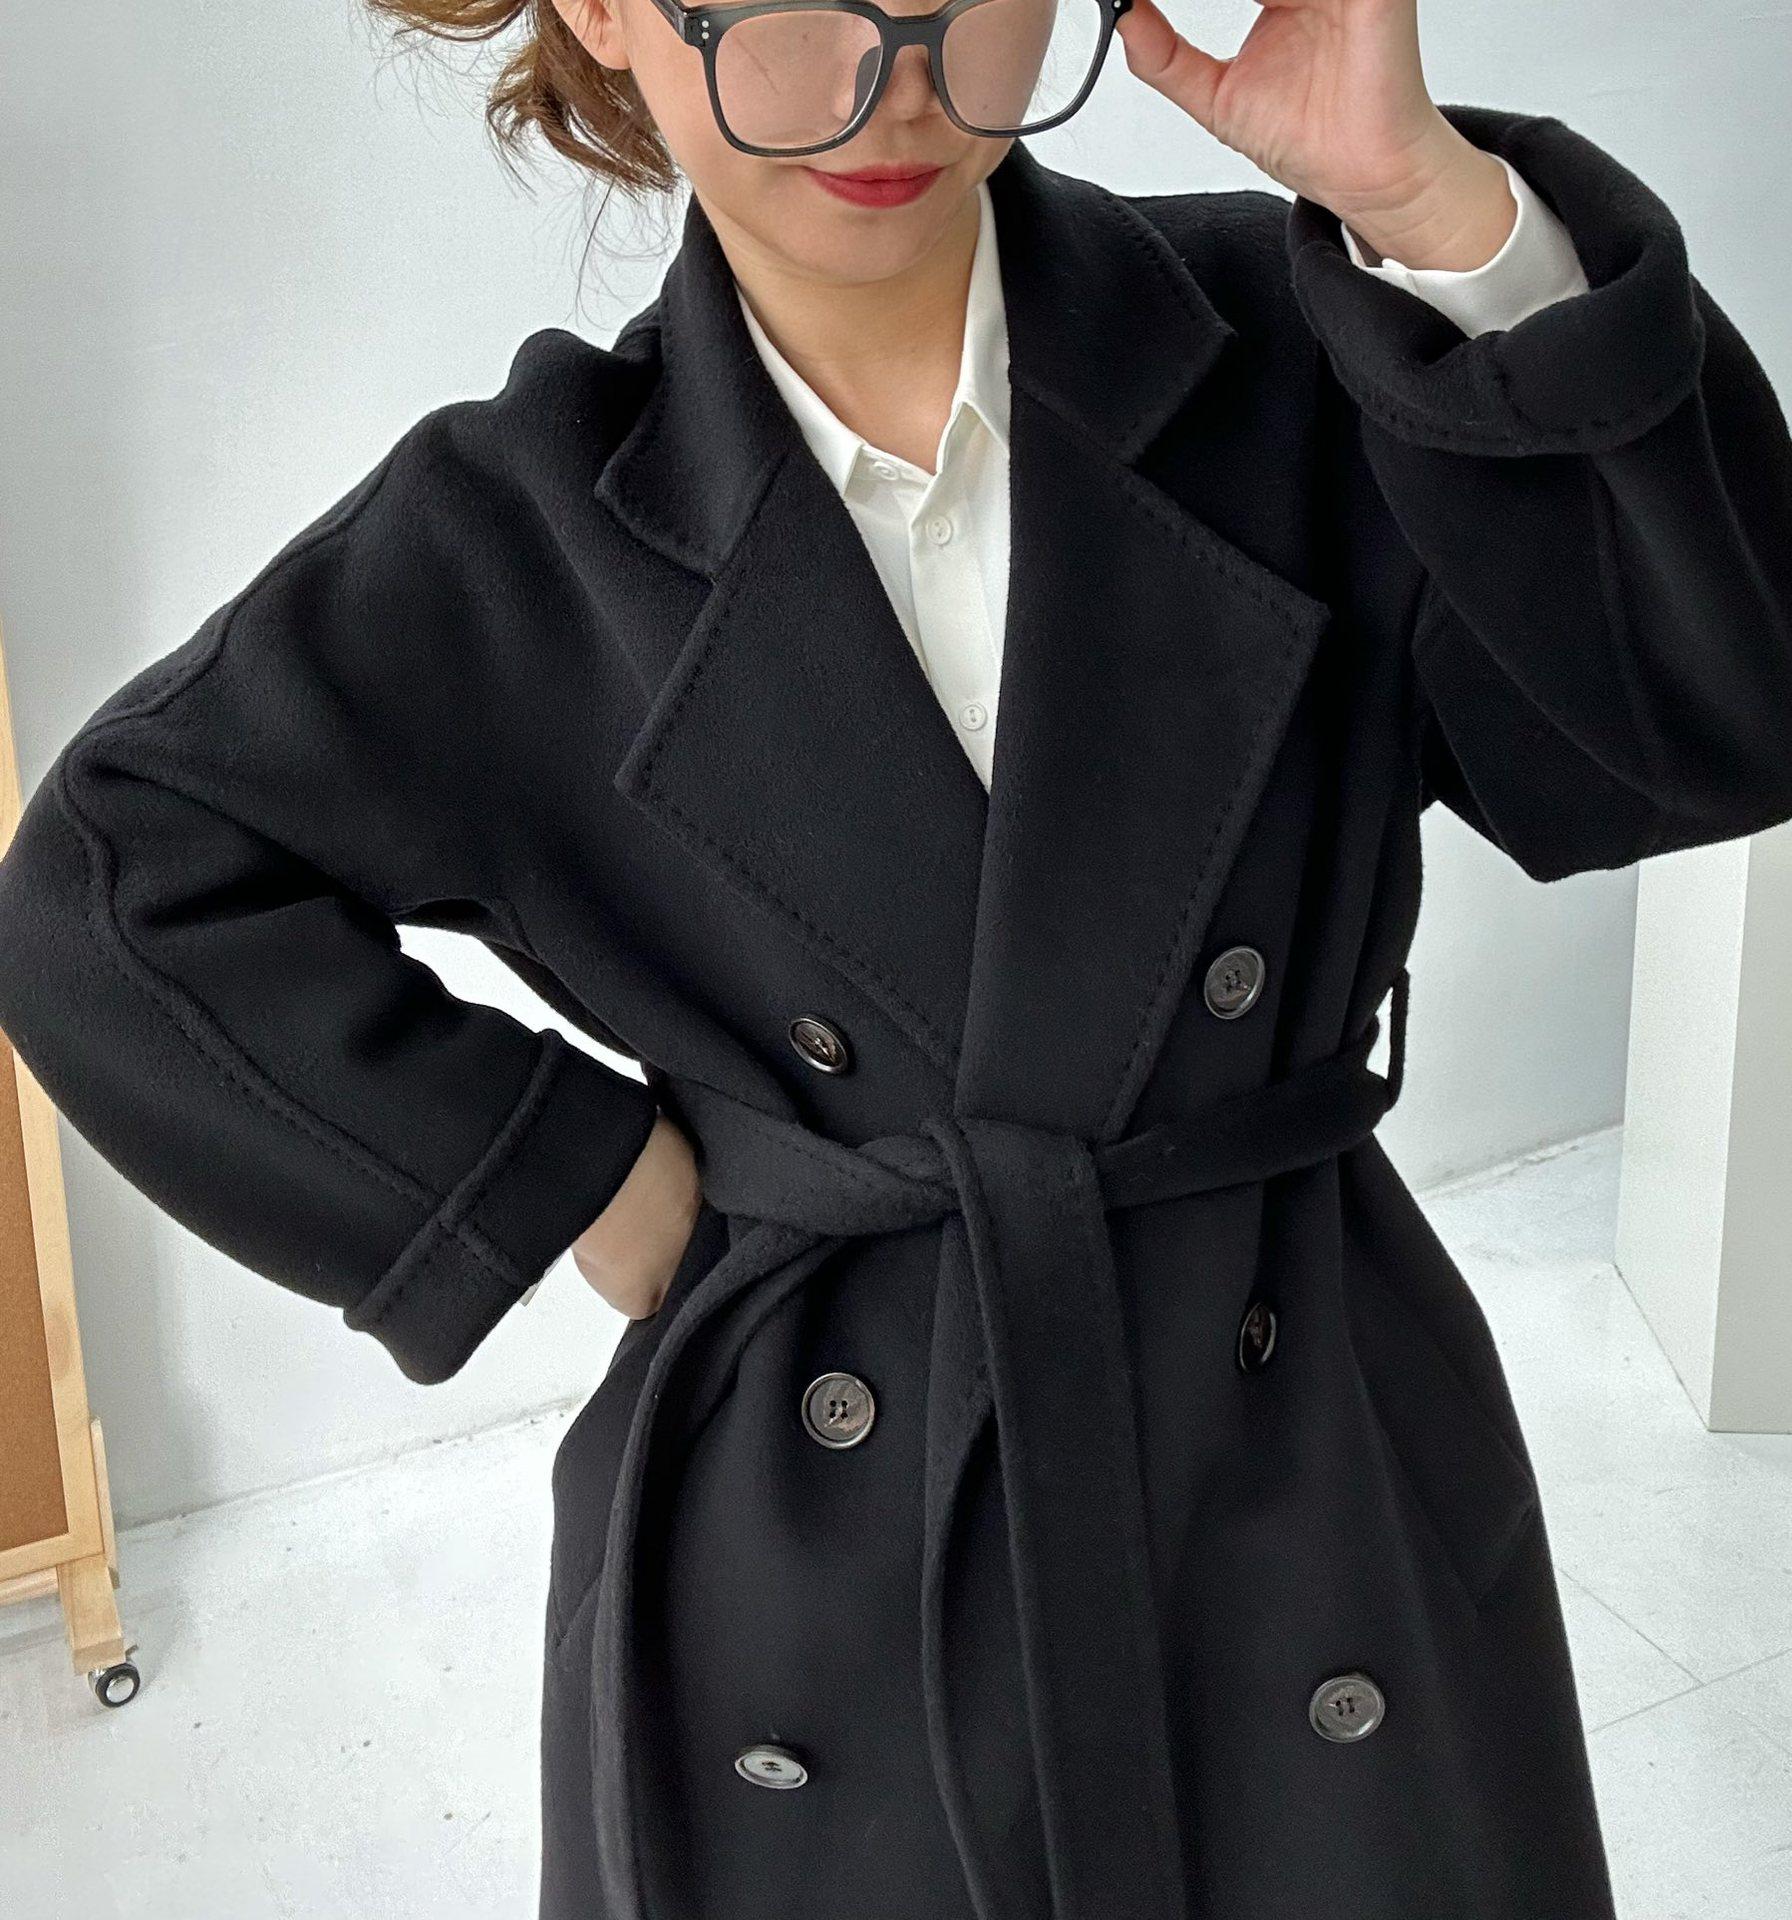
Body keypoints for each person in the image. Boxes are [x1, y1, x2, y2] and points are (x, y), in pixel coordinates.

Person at [0, 1, 1787, 1915]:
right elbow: (107, 889)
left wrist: (1440, 220)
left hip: (1305, 1452)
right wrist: (560, 1172)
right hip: (811, 1545)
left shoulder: (1308, 346)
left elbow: (1718, 728)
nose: (889, 85)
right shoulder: (521, 528)